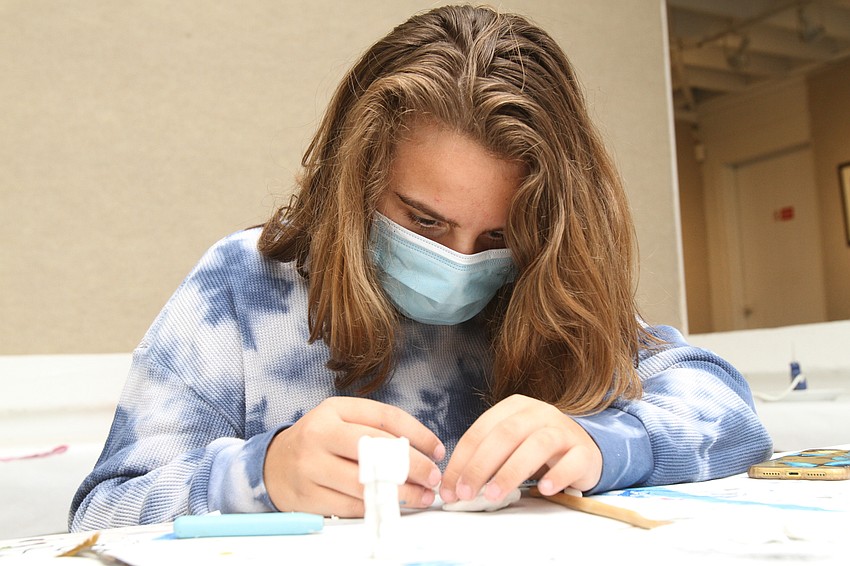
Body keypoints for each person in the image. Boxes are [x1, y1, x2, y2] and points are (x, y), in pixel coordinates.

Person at [70, 4, 772, 531]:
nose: (458, 264)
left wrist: (602, 441)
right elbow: (101, 513)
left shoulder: (542, 288)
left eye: (496, 235)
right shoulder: (241, 288)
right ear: (358, 181)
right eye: (423, 222)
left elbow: (732, 415)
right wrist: (261, 474)